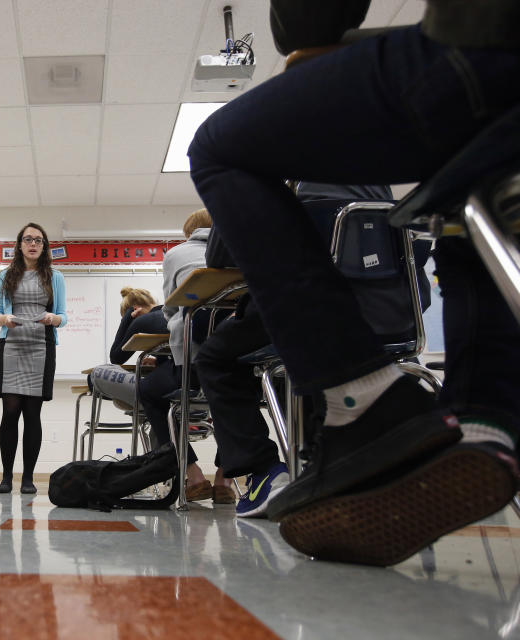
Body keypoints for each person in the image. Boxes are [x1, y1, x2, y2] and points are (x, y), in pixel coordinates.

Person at [187, 0, 520, 564]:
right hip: (399, 314)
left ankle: (355, 400)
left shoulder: (312, 170)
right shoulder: (376, 195)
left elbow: (308, 22)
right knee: (464, 191)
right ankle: (484, 422)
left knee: (220, 149)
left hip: (489, 46)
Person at [195, 182, 408, 519]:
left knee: (213, 357)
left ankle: (264, 471)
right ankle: (329, 460)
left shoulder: (266, 170)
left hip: (304, 309)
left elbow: (219, 255)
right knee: (302, 356)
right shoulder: (378, 181)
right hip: (390, 317)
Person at [138, 209, 233, 504]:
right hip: (241, 357)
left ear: (188, 233)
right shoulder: (238, 249)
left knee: (151, 393)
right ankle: (225, 480)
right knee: (230, 400)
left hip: (193, 362)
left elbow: (170, 307)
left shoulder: (176, 254)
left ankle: (193, 475)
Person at [0, 223, 67, 494]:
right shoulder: (6, 275)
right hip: (11, 345)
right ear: (20, 244)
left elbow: (63, 316)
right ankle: (6, 478)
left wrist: (54, 318)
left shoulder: (54, 276)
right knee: (10, 412)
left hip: (41, 346)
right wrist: (5, 319)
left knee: (32, 413)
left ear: (44, 246)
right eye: (28, 239)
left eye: (38, 240)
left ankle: (28, 479)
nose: (33, 244)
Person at [87, 287, 165, 410]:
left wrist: (127, 319)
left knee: (93, 376)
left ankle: (140, 405)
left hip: (163, 387)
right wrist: (158, 361)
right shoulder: (172, 314)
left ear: (135, 309)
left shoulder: (142, 321)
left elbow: (115, 358)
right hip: (188, 381)